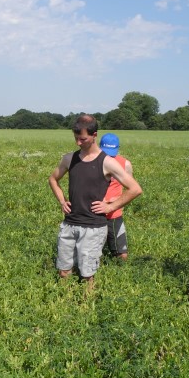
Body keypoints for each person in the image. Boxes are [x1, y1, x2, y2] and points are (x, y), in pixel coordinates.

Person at [48, 114, 142, 289]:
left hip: (93, 227)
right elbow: (53, 179)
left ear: (94, 135)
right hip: (69, 224)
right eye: (76, 138)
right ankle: (64, 304)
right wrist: (62, 201)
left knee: (87, 274)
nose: (78, 143)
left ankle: (87, 307)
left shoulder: (107, 162)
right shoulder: (69, 158)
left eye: (82, 139)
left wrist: (111, 206)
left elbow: (135, 189)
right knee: (64, 272)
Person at [99, 133, 133, 260]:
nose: (109, 156)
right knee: (92, 254)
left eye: (112, 152)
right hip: (95, 214)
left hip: (114, 214)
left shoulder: (125, 164)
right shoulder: (92, 162)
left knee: (122, 255)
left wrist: (117, 202)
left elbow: (131, 188)